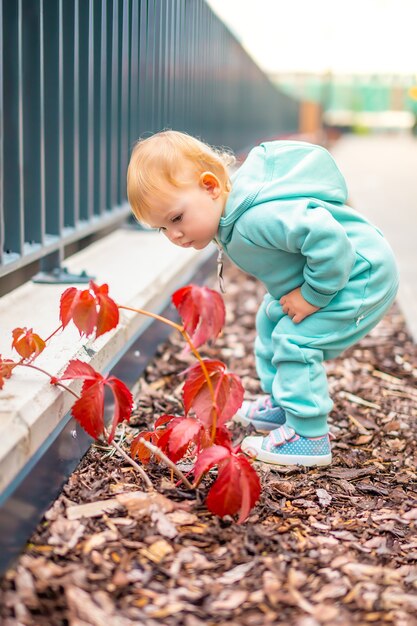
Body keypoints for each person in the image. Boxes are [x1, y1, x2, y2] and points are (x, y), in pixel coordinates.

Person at [127, 130, 399, 467]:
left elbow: (329, 239)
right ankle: (284, 403)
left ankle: (309, 436)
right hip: (342, 272)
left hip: (361, 274)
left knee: (295, 340)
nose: (174, 235)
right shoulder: (229, 217)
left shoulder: (256, 218)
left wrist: (313, 295)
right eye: (162, 229)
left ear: (211, 187)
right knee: (271, 318)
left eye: (176, 219)